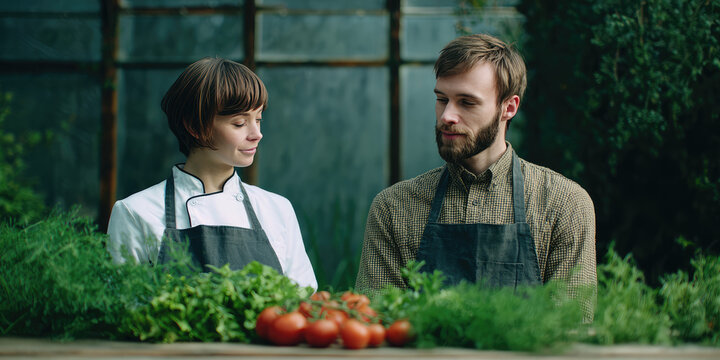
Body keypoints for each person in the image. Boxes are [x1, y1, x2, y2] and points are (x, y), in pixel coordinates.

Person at [355, 34, 596, 319]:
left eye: (467, 103)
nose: (447, 116)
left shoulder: (563, 204)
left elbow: (570, 329)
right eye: (441, 99)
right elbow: (376, 325)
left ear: (509, 107)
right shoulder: (394, 207)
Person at [107, 57, 317, 290]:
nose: (257, 134)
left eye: (258, 120)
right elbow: (124, 312)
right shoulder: (135, 213)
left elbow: (302, 304)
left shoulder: (277, 209)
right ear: (193, 126)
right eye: (239, 123)